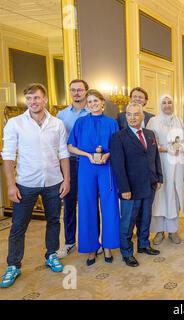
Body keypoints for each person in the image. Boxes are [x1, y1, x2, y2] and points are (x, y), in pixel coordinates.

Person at [0, 83, 70, 288]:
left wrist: (66, 179)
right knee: (18, 226)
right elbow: (8, 156)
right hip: (25, 183)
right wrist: (11, 186)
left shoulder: (57, 124)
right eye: (29, 99)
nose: (33, 102)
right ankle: (13, 265)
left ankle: (51, 255)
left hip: (53, 181)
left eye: (37, 98)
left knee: (54, 221)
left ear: (45, 99)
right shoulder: (15, 123)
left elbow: (63, 153)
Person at [68, 89, 120, 266]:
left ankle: (108, 246)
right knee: (87, 206)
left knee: (110, 205)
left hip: (106, 167)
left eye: (95, 101)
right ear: (86, 104)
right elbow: (70, 147)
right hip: (86, 167)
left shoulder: (112, 123)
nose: (92, 104)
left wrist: (108, 155)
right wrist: (88, 155)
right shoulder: (80, 122)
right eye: (89, 102)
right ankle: (91, 248)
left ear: (102, 103)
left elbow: (117, 147)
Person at [110, 103, 163, 267]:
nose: (132, 117)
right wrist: (124, 189)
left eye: (135, 114)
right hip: (130, 189)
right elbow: (118, 166)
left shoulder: (150, 134)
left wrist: (159, 177)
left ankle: (143, 245)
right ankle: (127, 252)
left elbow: (155, 158)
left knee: (145, 217)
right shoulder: (118, 137)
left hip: (149, 184)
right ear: (126, 116)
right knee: (128, 222)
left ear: (142, 116)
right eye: (129, 114)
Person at [56, 79, 90, 258]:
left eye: (80, 90)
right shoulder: (62, 115)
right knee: (69, 204)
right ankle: (69, 241)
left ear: (86, 92)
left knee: (89, 203)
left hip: (87, 163)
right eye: (73, 90)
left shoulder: (91, 111)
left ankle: (91, 240)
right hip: (68, 163)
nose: (76, 93)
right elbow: (58, 141)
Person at [147, 95, 184, 245]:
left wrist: (178, 149)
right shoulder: (153, 121)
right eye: (164, 102)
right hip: (159, 162)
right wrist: (165, 149)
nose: (167, 105)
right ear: (159, 104)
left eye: (170, 102)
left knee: (173, 194)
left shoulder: (179, 120)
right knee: (159, 196)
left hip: (176, 164)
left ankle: (173, 230)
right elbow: (149, 144)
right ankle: (159, 231)